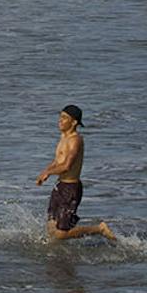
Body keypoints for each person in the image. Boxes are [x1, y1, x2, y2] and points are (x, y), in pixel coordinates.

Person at [35, 104, 116, 243]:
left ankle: (99, 229)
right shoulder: (63, 137)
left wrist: (48, 173)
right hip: (59, 187)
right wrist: (45, 171)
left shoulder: (75, 140)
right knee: (51, 230)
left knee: (61, 234)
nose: (60, 120)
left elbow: (67, 166)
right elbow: (57, 161)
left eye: (64, 118)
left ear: (74, 122)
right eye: (60, 117)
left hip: (70, 189)